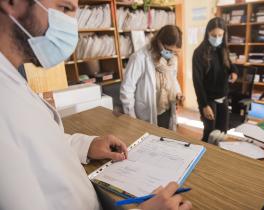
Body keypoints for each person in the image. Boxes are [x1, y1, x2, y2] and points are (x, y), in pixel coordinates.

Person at [0, 0, 192, 210]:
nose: (71, 26)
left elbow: (40, 143)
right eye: (64, 8)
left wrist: (85, 145)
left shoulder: (12, 80)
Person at [120, 25, 184, 130]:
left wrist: (178, 92)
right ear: (159, 42)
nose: (171, 54)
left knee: (166, 141)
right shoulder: (139, 58)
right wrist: (131, 118)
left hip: (166, 110)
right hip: (147, 114)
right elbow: (127, 89)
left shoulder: (172, 60)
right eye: (168, 50)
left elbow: (173, 79)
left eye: (174, 51)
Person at [192, 17, 238, 142]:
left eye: (220, 35)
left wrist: (234, 71)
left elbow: (228, 63)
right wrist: (204, 105)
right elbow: (197, 82)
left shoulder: (223, 48)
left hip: (223, 98)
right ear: (207, 33)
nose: (217, 38)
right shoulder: (199, 53)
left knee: (222, 132)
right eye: (213, 35)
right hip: (208, 100)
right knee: (209, 133)